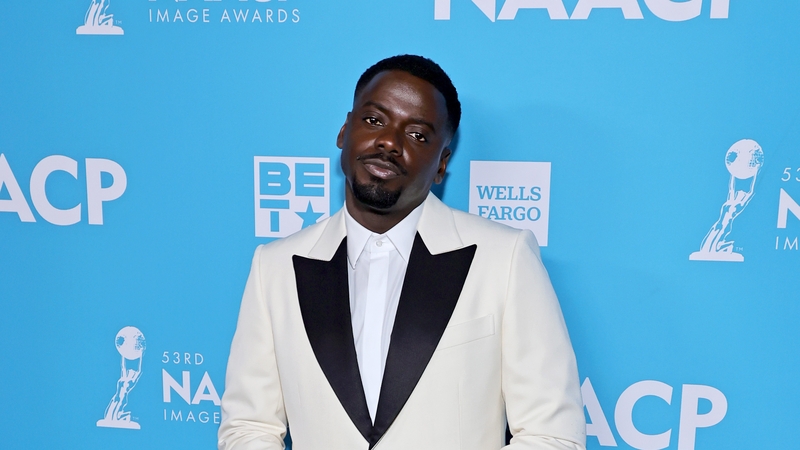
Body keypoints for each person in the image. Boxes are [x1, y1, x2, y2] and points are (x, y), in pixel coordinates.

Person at [218, 54, 586, 450]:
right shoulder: (275, 267)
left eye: (417, 135)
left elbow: (552, 435)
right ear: (344, 130)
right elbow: (248, 427)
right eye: (374, 120)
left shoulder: (504, 258)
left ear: (442, 164)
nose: (389, 143)